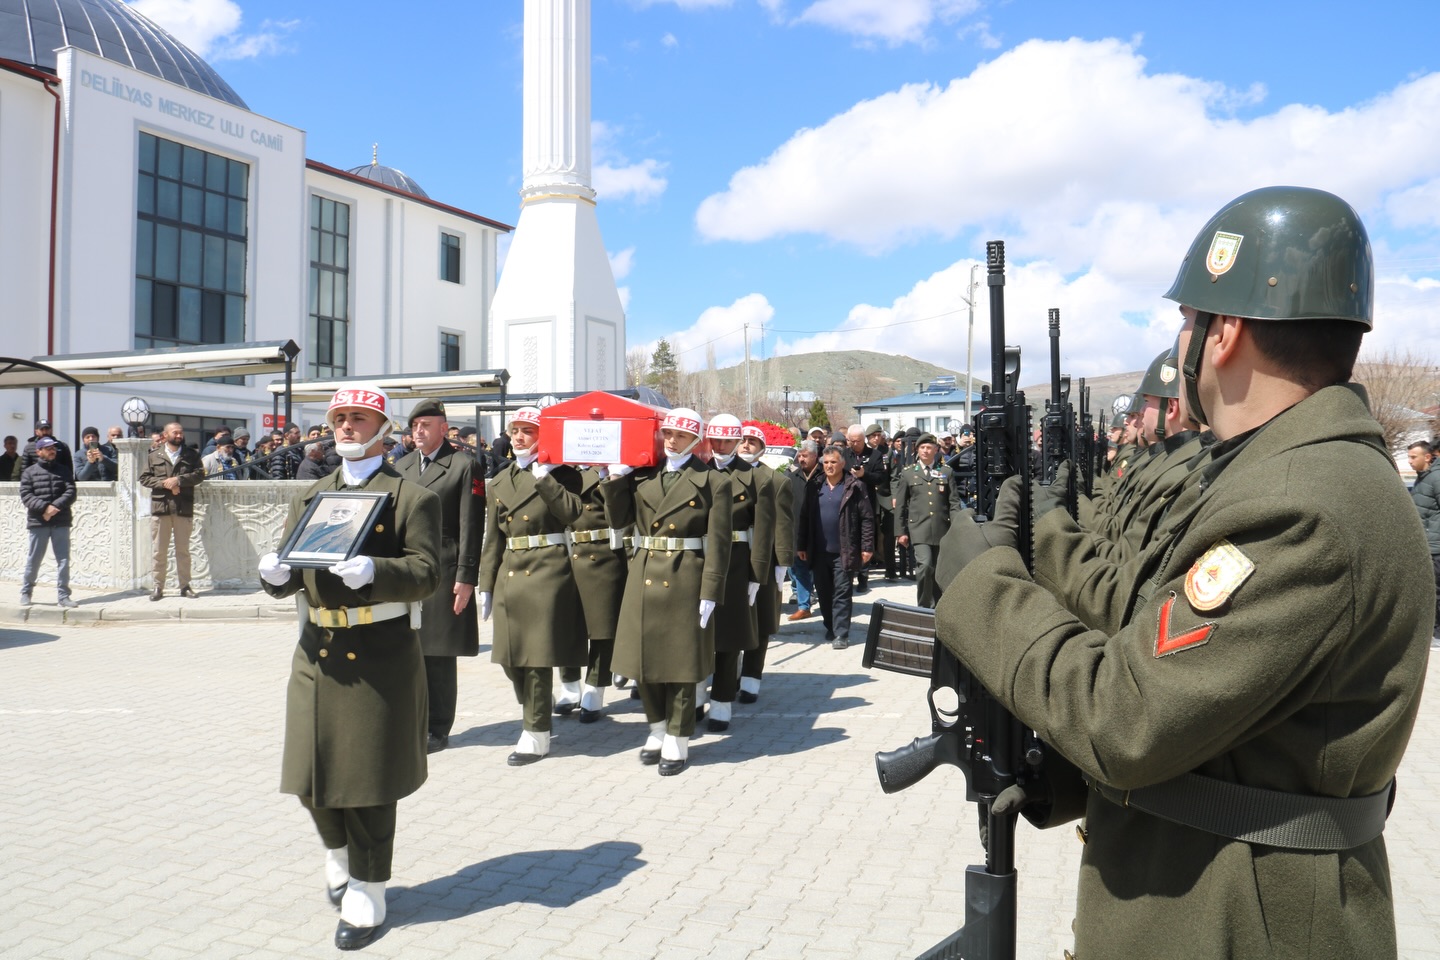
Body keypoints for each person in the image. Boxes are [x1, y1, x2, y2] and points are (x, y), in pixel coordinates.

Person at [937, 186, 1432, 958]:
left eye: (1188, 320)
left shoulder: (1302, 504)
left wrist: (984, 586)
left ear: (1224, 333)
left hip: (1238, 918)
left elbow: (1127, 716)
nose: (1181, 343)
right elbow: (1208, 706)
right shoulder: (1286, 477)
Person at [258, 385, 440, 951]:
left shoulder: (411, 497)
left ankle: (369, 886)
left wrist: (378, 572)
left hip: (377, 651)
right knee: (308, 773)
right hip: (317, 648)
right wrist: (275, 575)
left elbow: (427, 572)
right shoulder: (314, 495)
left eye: (359, 418)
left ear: (383, 429)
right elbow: (294, 565)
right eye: (339, 417)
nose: (346, 426)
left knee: (366, 780)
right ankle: (338, 852)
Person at [602, 408, 732, 775]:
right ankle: (657, 727)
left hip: (685, 576)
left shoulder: (713, 481)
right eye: (668, 434)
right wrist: (615, 478)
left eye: (680, 435)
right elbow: (618, 520)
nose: (671, 441)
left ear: (695, 440)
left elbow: (719, 542)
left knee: (681, 664)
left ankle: (678, 737)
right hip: (644, 571)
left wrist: (711, 590)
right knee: (642, 661)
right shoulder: (643, 474)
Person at [476, 407, 587, 765]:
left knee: (536, 656)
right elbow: (493, 537)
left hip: (547, 569)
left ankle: (536, 732)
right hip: (511, 569)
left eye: (529, 430)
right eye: (515, 430)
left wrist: (545, 478)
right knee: (510, 657)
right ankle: (534, 708)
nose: (520, 437)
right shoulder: (501, 479)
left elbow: (573, 513)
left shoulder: (563, 474)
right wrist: (486, 583)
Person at [395, 399, 485, 754]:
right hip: (405, 568)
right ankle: (410, 721)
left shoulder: (463, 465)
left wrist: (466, 577)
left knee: (437, 654)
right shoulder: (401, 466)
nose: (418, 431)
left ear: (444, 428)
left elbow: (470, 525)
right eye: (414, 426)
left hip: (443, 567)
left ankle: (437, 727)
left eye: (426, 425)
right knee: (406, 650)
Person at [697, 413, 774, 733]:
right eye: (715, 440)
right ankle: (696, 696)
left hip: (736, 561)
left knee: (728, 637)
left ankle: (722, 701)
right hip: (699, 559)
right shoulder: (697, 472)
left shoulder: (756, 478)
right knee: (697, 633)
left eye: (727, 440)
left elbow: (763, 531)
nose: (720, 446)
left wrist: (757, 575)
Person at [558, 463, 628, 722]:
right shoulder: (562, 471)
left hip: (603, 554)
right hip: (566, 553)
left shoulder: (610, 470)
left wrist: (610, 475)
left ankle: (595, 688)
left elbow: (620, 515)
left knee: (602, 629)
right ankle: (569, 685)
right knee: (566, 626)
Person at [739, 422, 795, 703]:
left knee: (760, 621)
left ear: (762, 449)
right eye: (742, 440)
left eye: (752, 441)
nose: (746, 445)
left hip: (765, 559)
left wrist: (782, 563)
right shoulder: (721, 474)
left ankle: (751, 678)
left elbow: (783, 524)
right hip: (731, 558)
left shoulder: (775, 480)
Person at [797, 445, 874, 649]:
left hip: (844, 550)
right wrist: (801, 544)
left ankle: (841, 633)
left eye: (833, 462)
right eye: (826, 462)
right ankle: (830, 626)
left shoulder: (855, 486)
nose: (829, 466)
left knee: (842, 592)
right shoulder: (814, 485)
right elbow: (804, 517)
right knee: (824, 592)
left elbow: (867, 518)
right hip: (819, 551)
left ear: (842, 463)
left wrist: (867, 546)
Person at [893, 432, 961, 607]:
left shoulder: (945, 472)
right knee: (925, 566)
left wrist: (957, 527)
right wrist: (900, 532)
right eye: (922, 447)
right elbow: (900, 505)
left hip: (941, 528)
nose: (925, 451)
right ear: (917, 450)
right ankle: (924, 606)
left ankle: (938, 606)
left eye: (929, 447)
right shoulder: (908, 473)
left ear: (936, 450)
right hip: (919, 529)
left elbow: (953, 503)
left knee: (938, 570)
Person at [139, 422, 205, 601]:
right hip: (161, 508)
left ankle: (185, 586)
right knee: (159, 551)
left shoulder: (191, 455)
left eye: (181, 432)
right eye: (175, 433)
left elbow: (199, 474)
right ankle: (158, 587)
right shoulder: (154, 455)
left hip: (183, 507)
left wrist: (179, 480)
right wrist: (165, 484)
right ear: (165, 435)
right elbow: (144, 478)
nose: (179, 435)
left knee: (183, 551)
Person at [19, 437, 77, 608]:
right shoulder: (29, 472)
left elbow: (71, 492)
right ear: (39, 452)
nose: (52, 451)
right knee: (34, 559)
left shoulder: (64, 470)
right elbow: (26, 496)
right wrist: (45, 508)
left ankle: (63, 596)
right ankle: (26, 592)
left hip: (61, 521)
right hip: (39, 522)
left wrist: (54, 507)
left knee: (63, 560)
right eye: (48, 448)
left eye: (53, 448)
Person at [1408, 440, 1440, 646]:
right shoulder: (1422, 478)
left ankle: (1437, 633)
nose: (1409, 461)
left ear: (1427, 457)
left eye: (1413, 457)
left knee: (1435, 590)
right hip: (1425, 545)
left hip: (1435, 547)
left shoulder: (1436, 478)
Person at [786, 440, 821, 621]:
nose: (801, 459)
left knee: (821, 570)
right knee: (799, 569)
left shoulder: (825, 475)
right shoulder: (793, 478)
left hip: (821, 532)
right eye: (799, 455)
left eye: (805, 456)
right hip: (798, 531)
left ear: (815, 456)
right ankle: (803, 606)